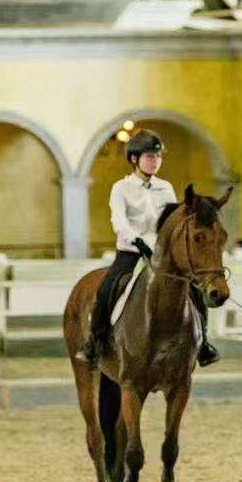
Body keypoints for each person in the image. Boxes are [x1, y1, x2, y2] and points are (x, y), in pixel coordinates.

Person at [81, 129, 219, 369]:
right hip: (131, 253)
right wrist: (136, 241)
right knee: (107, 289)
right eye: (149, 157)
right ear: (134, 159)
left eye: (158, 157)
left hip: (162, 255)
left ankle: (203, 343)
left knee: (195, 290)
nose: (155, 161)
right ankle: (95, 343)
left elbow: (173, 221)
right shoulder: (121, 188)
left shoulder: (165, 188)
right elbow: (119, 221)